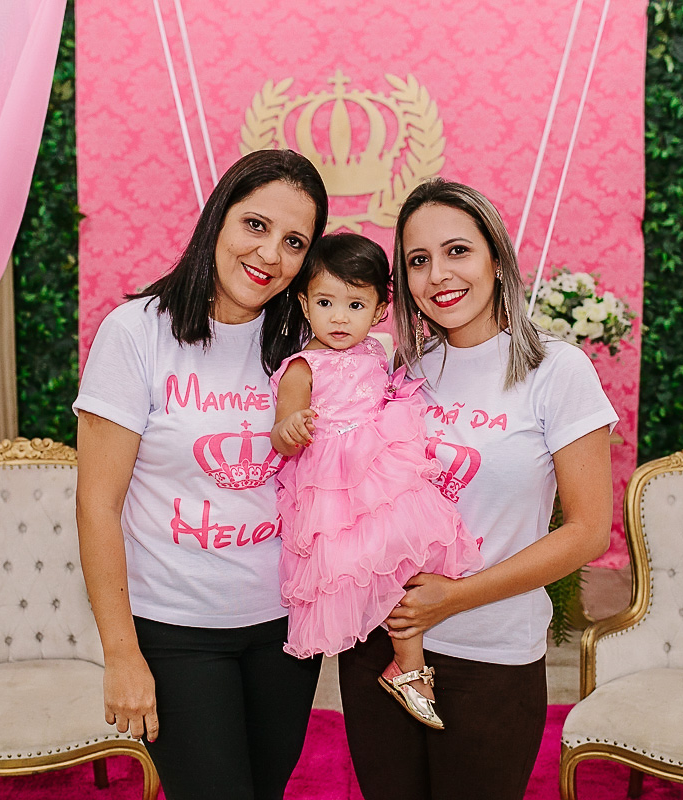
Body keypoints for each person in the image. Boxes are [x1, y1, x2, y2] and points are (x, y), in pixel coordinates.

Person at [338, 179, 618, 800]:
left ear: (496, 257)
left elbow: (587, 531)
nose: (438, 274)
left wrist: (454, 598)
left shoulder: (556, 371)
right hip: (378, 647)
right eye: (418, 260)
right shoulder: (401, 372)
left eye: (457, 251)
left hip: (492, 654)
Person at [73, 149, 330, 800]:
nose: (270, 254)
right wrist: (121, 654)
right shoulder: (137, 333)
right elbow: (97, 506)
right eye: (255, 225)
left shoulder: (305, 344)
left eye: (294, 242)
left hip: (286, 629)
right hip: (175, 629)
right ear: (218, 218)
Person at [268, 233, 483, 730]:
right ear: (304, 304)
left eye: (355, 304)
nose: (339, 318)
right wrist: (292, 428)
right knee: (370, 566)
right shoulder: (302, 367)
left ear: (380, 310)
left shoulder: (375, 349)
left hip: (383, 467)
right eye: (325, 303)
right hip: (337, 486)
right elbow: (280, 434)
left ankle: (406, 661)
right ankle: (408, 665)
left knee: (413, 557)